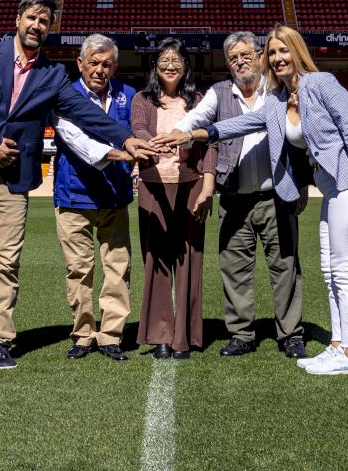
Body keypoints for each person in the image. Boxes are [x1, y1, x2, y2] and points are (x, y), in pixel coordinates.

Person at [0, 0, 155, 370]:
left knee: (5, 263)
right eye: (32, 18)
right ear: (18, 19)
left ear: (49, 28)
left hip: (13, 180)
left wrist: (125, 138)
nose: (37, 26)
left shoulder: (52, 74)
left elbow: (84, 112)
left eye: (44, 21)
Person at [159, 24, 348, 376]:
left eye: (283, 50)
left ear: (296, 51)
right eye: (274, 52)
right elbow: (239, 125)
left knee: (345, 271)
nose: (278, 58)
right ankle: (339, 345)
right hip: (328, 189)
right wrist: (194, 134)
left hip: (347, 185)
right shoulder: (279, 101)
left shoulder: (321, 83)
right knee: (330, 271)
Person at [172, 31, 307, 359]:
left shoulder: (278, 89)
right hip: (233, 197)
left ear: (259, 56)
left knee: (285, 266)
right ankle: (242, 334)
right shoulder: (219, 93)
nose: (240, 62)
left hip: (276, 196)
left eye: (246, 55)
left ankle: (291, 334)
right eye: (233, 58)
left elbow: (301, 141)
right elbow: (195, 119)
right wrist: (178, 133)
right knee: (234, 268)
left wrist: (302, 186)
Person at [51, 34, 136, 362]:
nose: (100, 70)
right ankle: (83, 335)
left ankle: (111, 335)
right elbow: (77, 142)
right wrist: (123, 154)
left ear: (114, 67)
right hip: (74, 197)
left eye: (107, 64)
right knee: (79, 270)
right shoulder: (63, 94)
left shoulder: (128, 95)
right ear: (80, 64)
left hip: (115, 197)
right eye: (94, 63)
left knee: (118, 269)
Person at [130, 38, 217, 359]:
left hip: (191, 185)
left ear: (186, 67)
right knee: (156, 261)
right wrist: (156, 143)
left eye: (176, 60)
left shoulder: (199, 101)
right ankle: (161, 335)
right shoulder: (142, 99)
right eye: (164, 60)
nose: (170, 66)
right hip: (153, 186)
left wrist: (208, 187)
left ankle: (185, 336)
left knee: (190, 260)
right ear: (155, 66)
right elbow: (139, 129)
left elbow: (210, 142)